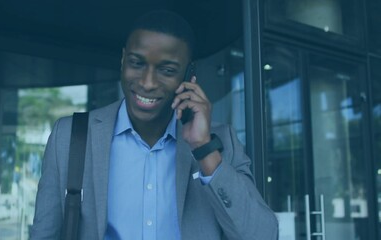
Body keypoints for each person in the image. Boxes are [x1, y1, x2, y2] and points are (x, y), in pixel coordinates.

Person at [31, 10, 278, 240]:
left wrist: (203, 149)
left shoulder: (221, 143)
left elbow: (263, 235)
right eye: (137, 63)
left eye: (167, 70)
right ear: (122, 60)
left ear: (189, 75)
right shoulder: (71, 137)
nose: (147, 82)